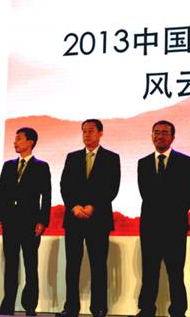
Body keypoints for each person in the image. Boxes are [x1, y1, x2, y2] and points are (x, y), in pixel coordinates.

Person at [56, 119, 121, 317]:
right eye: (84, 131)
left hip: (98, 219)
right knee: (72, 266)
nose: (87, 134)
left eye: (91, 131)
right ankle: (71, 307)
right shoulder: (72, 157)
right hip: (74, 218)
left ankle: (98, 307)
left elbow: (112, 187)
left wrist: (93, 206)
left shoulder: (111, 158)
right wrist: (74, 206)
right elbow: (64, 185)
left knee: (98, 265)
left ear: (100, 133)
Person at [135, 120, 190, 317]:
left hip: (175, 226)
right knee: (149, 272)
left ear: (172, 137)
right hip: (150, 226)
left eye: (164, 133)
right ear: (152, 136)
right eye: (156, 132)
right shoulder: (143, 163)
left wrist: (172, 212)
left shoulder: (184, 161)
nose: (160, 136)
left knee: (175, 273)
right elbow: (146, 193)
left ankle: (178, 311)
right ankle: (146, 309)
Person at [0, 127, 51, 316]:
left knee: (30, 264)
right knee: (11, 264)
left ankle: (30, 305)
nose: (15, 142)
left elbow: (46, 196)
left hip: (30, 222)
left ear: (30, 142)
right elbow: (1, 194)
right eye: (15, 139)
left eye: (19, 139)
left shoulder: (41, 166)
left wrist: (43, 221)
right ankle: (7, 305)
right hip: (10, 221)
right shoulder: (8, 166)